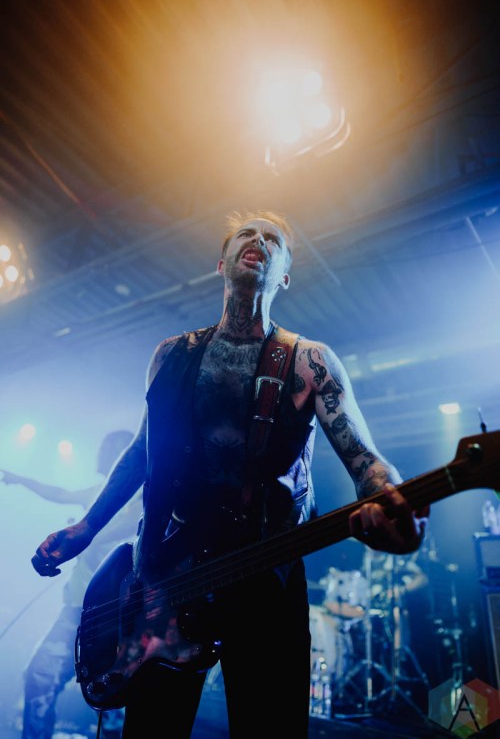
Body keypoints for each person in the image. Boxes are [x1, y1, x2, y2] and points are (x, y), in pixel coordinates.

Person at [31, 211, 429, 739]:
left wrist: (392, 498)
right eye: (247, 233)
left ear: (284, 275)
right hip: (166, 581)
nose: (258, 240)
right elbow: (144, 451)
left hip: (265, 580)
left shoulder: (310, 361)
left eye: (273, 239)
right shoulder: (170, 356)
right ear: (222, 263)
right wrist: (87, 527)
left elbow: (364, 459)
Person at [1, 430, 140, 739]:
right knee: (40, 675)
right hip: (76, 609)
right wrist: (19, 479)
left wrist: (90, 536)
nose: (101, 452)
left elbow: (129, 526)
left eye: (109, 446)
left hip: (118, 613)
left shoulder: (143, 495)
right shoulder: (97, 493)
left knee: (115, 693)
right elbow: (59, 493)